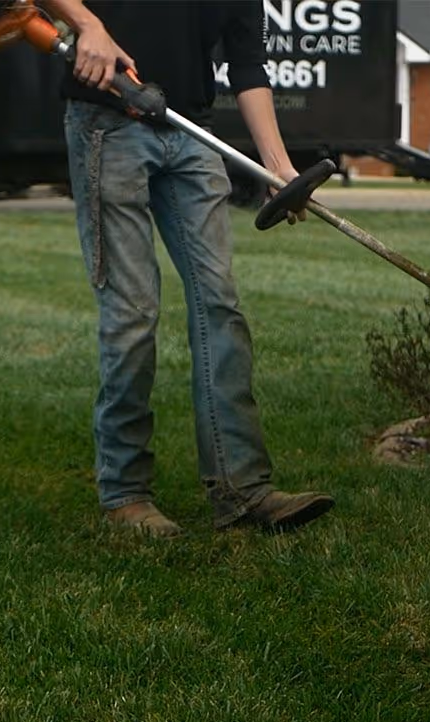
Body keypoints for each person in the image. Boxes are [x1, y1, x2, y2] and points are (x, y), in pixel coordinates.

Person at [39, 0, 333, 538]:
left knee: (219, 304)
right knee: (133, 312)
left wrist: (277, 167)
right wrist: (88, 24)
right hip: (107, 123)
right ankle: (125, 492)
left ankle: (241, 490)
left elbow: (248, 65)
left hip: (191, 133)